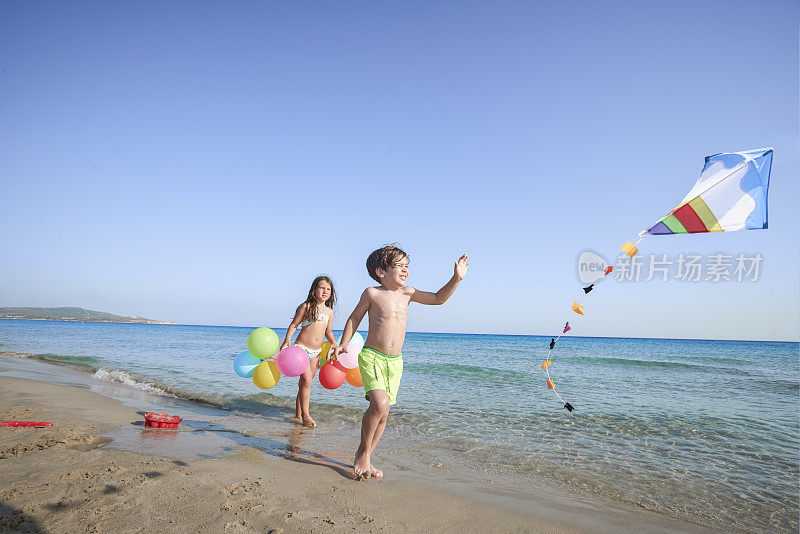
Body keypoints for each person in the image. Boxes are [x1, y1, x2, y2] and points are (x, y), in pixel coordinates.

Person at [333, 244, 469, 478]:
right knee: (379, 405)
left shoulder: (409, 293)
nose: (405, 270)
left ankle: (365, 456)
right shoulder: (372, 293)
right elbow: (354, 318)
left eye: (407, 266)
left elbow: (438, 299)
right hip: (372, 357)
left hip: (394, 362)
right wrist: (344, 343)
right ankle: (364, 456)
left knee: (384, 414)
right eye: (399, 266)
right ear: (381, 272)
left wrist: (456, 279)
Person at [280, 275, 337, 428]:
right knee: (307, 382)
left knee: (304, 383)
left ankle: (298, 415)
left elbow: (328, 332)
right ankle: (306, 416)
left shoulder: (329, 312)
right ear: (314, 290)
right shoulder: (306, 307)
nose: (325, 291)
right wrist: (287, 340)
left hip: (316, 352)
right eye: (322, 288)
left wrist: (335, 343)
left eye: (328, 289)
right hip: (301, 350)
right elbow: (294, 324)